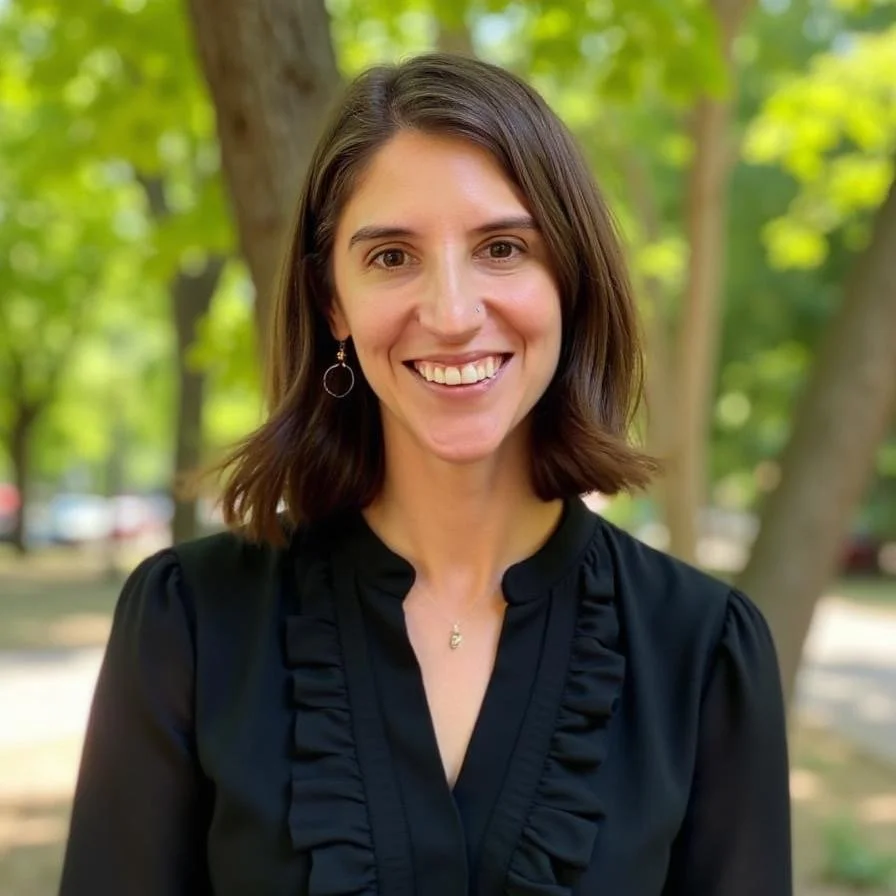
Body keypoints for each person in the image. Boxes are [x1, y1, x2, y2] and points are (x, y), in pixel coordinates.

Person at [59, 53, 792, 895]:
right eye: (391, 257)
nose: (450, 313)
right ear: (331, 301)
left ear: (570, 279)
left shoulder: (704, 650)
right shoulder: (188, 623)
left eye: (503, 247)